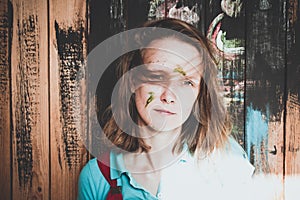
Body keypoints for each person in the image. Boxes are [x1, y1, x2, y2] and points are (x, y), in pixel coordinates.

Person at [78, 18, 254, 200]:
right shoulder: (98, 177)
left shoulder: (224, 166)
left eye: (186, 83)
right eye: (156, 77)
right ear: (132, 81)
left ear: (199, 93)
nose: (169, 96)